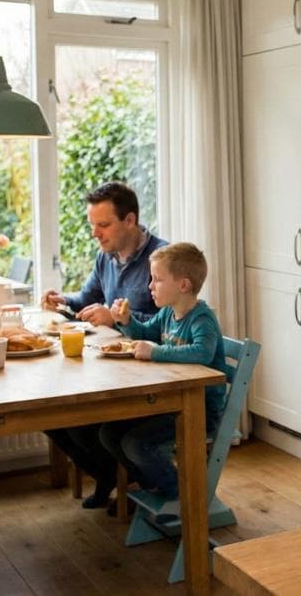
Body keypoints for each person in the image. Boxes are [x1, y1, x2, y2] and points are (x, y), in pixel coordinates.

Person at [41, 182, 168, 510]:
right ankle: (109, 476)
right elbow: (86, 299)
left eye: (103, 225)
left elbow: (169, 322)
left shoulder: (162, 260)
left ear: (130, 221)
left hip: (152, 376)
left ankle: (132, 484)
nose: (96, 233)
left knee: (90, 426)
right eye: (92, 225)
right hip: (112, 370)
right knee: (53, 417)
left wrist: (115, 319)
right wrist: (61, 300)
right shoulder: (106, 257)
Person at [105, 242, 227, 520]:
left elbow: (203, 352)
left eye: (157, 279)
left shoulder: (201, 319)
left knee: (136, 443)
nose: (150, 285)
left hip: (198, 410)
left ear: (183, 285)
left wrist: (156, 352)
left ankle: (181, 492)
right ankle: (155, 484)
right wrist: (126, 321)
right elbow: (143, 332)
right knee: (109, 434)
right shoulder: (167, 314)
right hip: (172, 404)